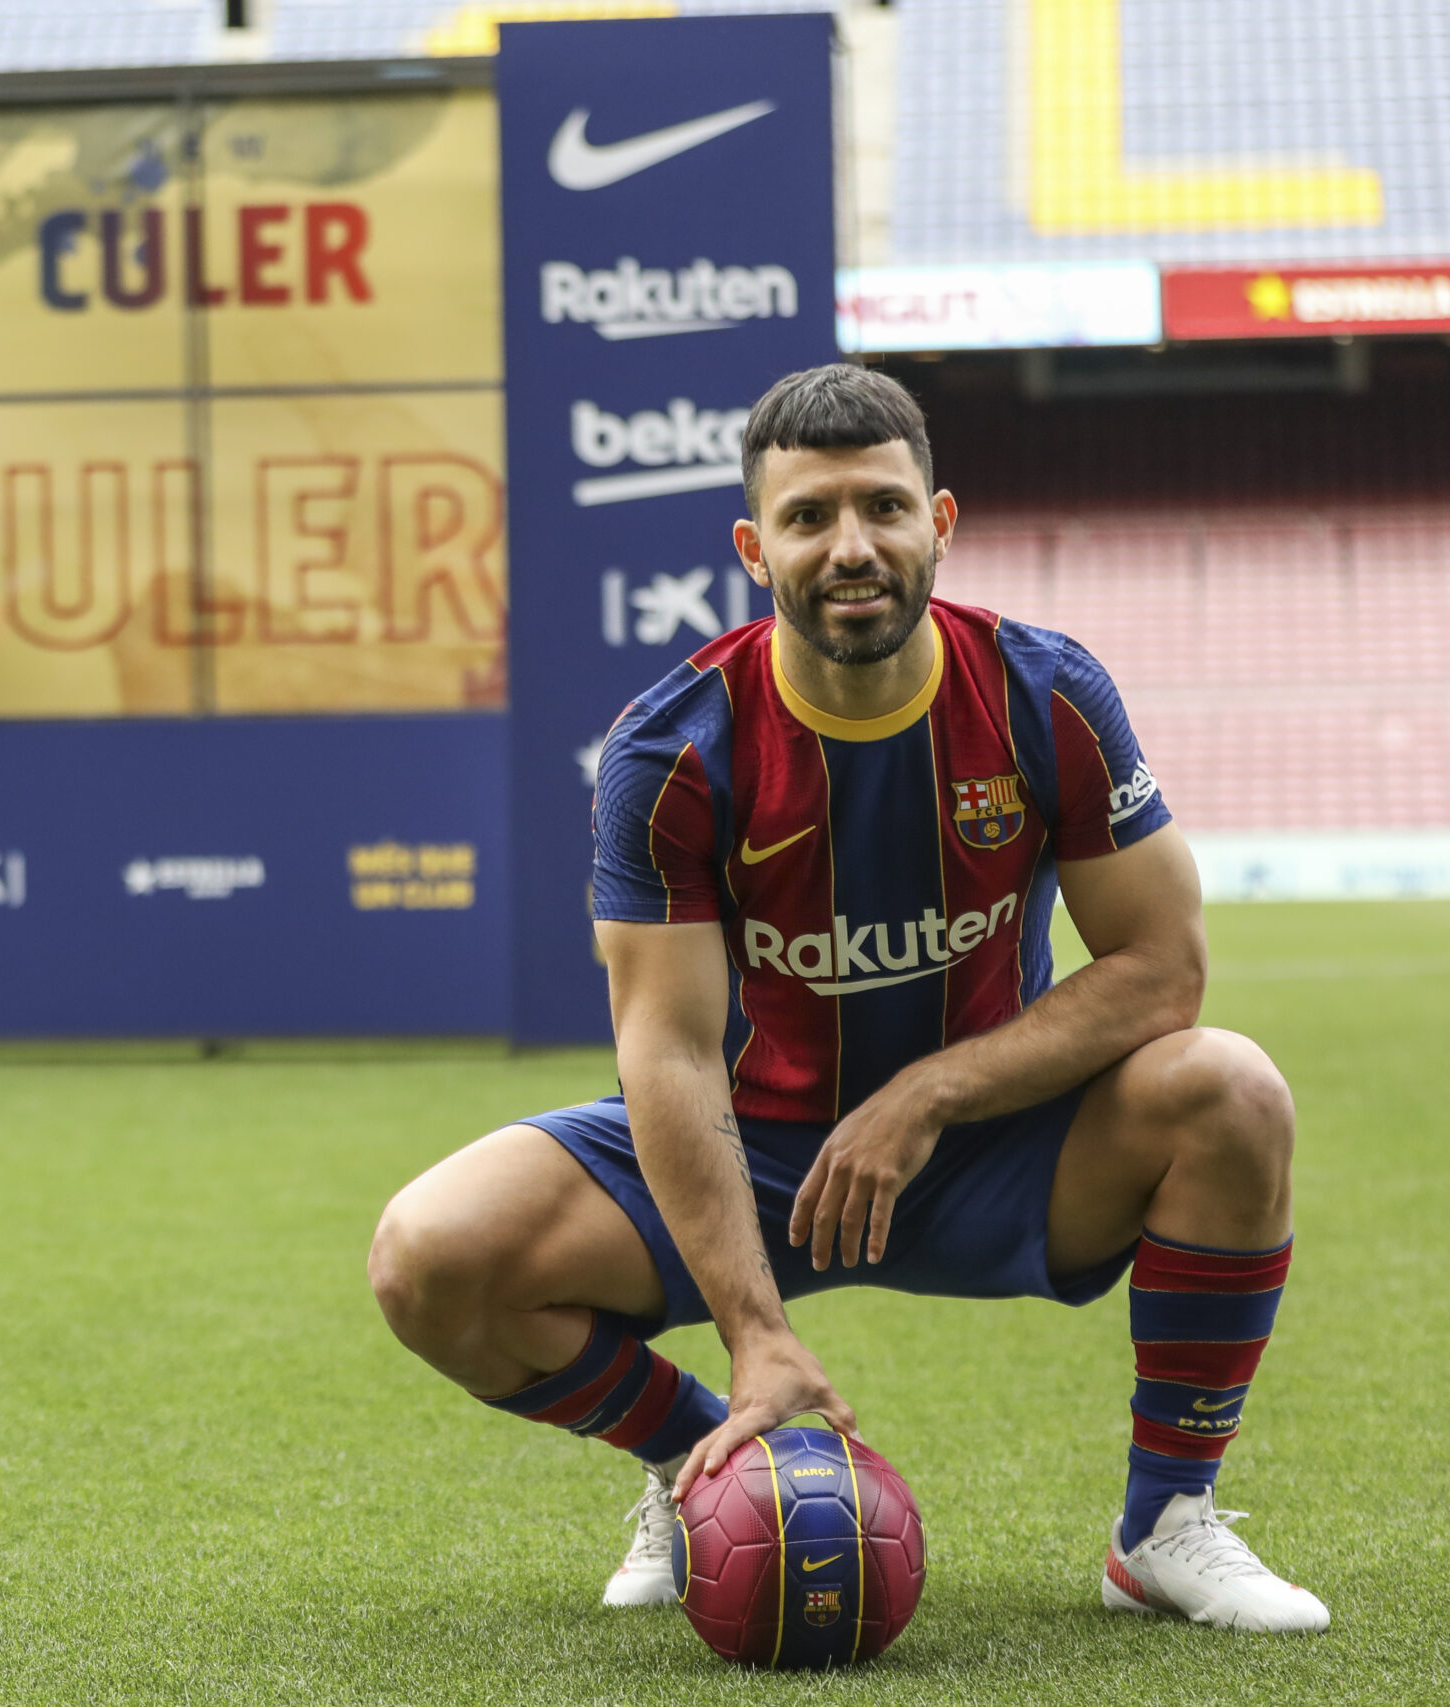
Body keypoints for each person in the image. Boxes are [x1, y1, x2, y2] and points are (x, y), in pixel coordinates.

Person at [367, 364, 1327, 1634]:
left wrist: (928, 1093)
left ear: (939, 519)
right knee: (430, 1256)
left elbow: (1163, 970)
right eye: (809, 517)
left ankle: (1164, 1526)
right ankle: (707, 1457)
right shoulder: (670, 750)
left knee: (1232, 1090)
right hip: (751, 1152)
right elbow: (665, 1051)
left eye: (881, 507)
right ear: (753, 548)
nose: (850, 545)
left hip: (994, 1141)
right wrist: (752, 1334)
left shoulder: (1046, 696)